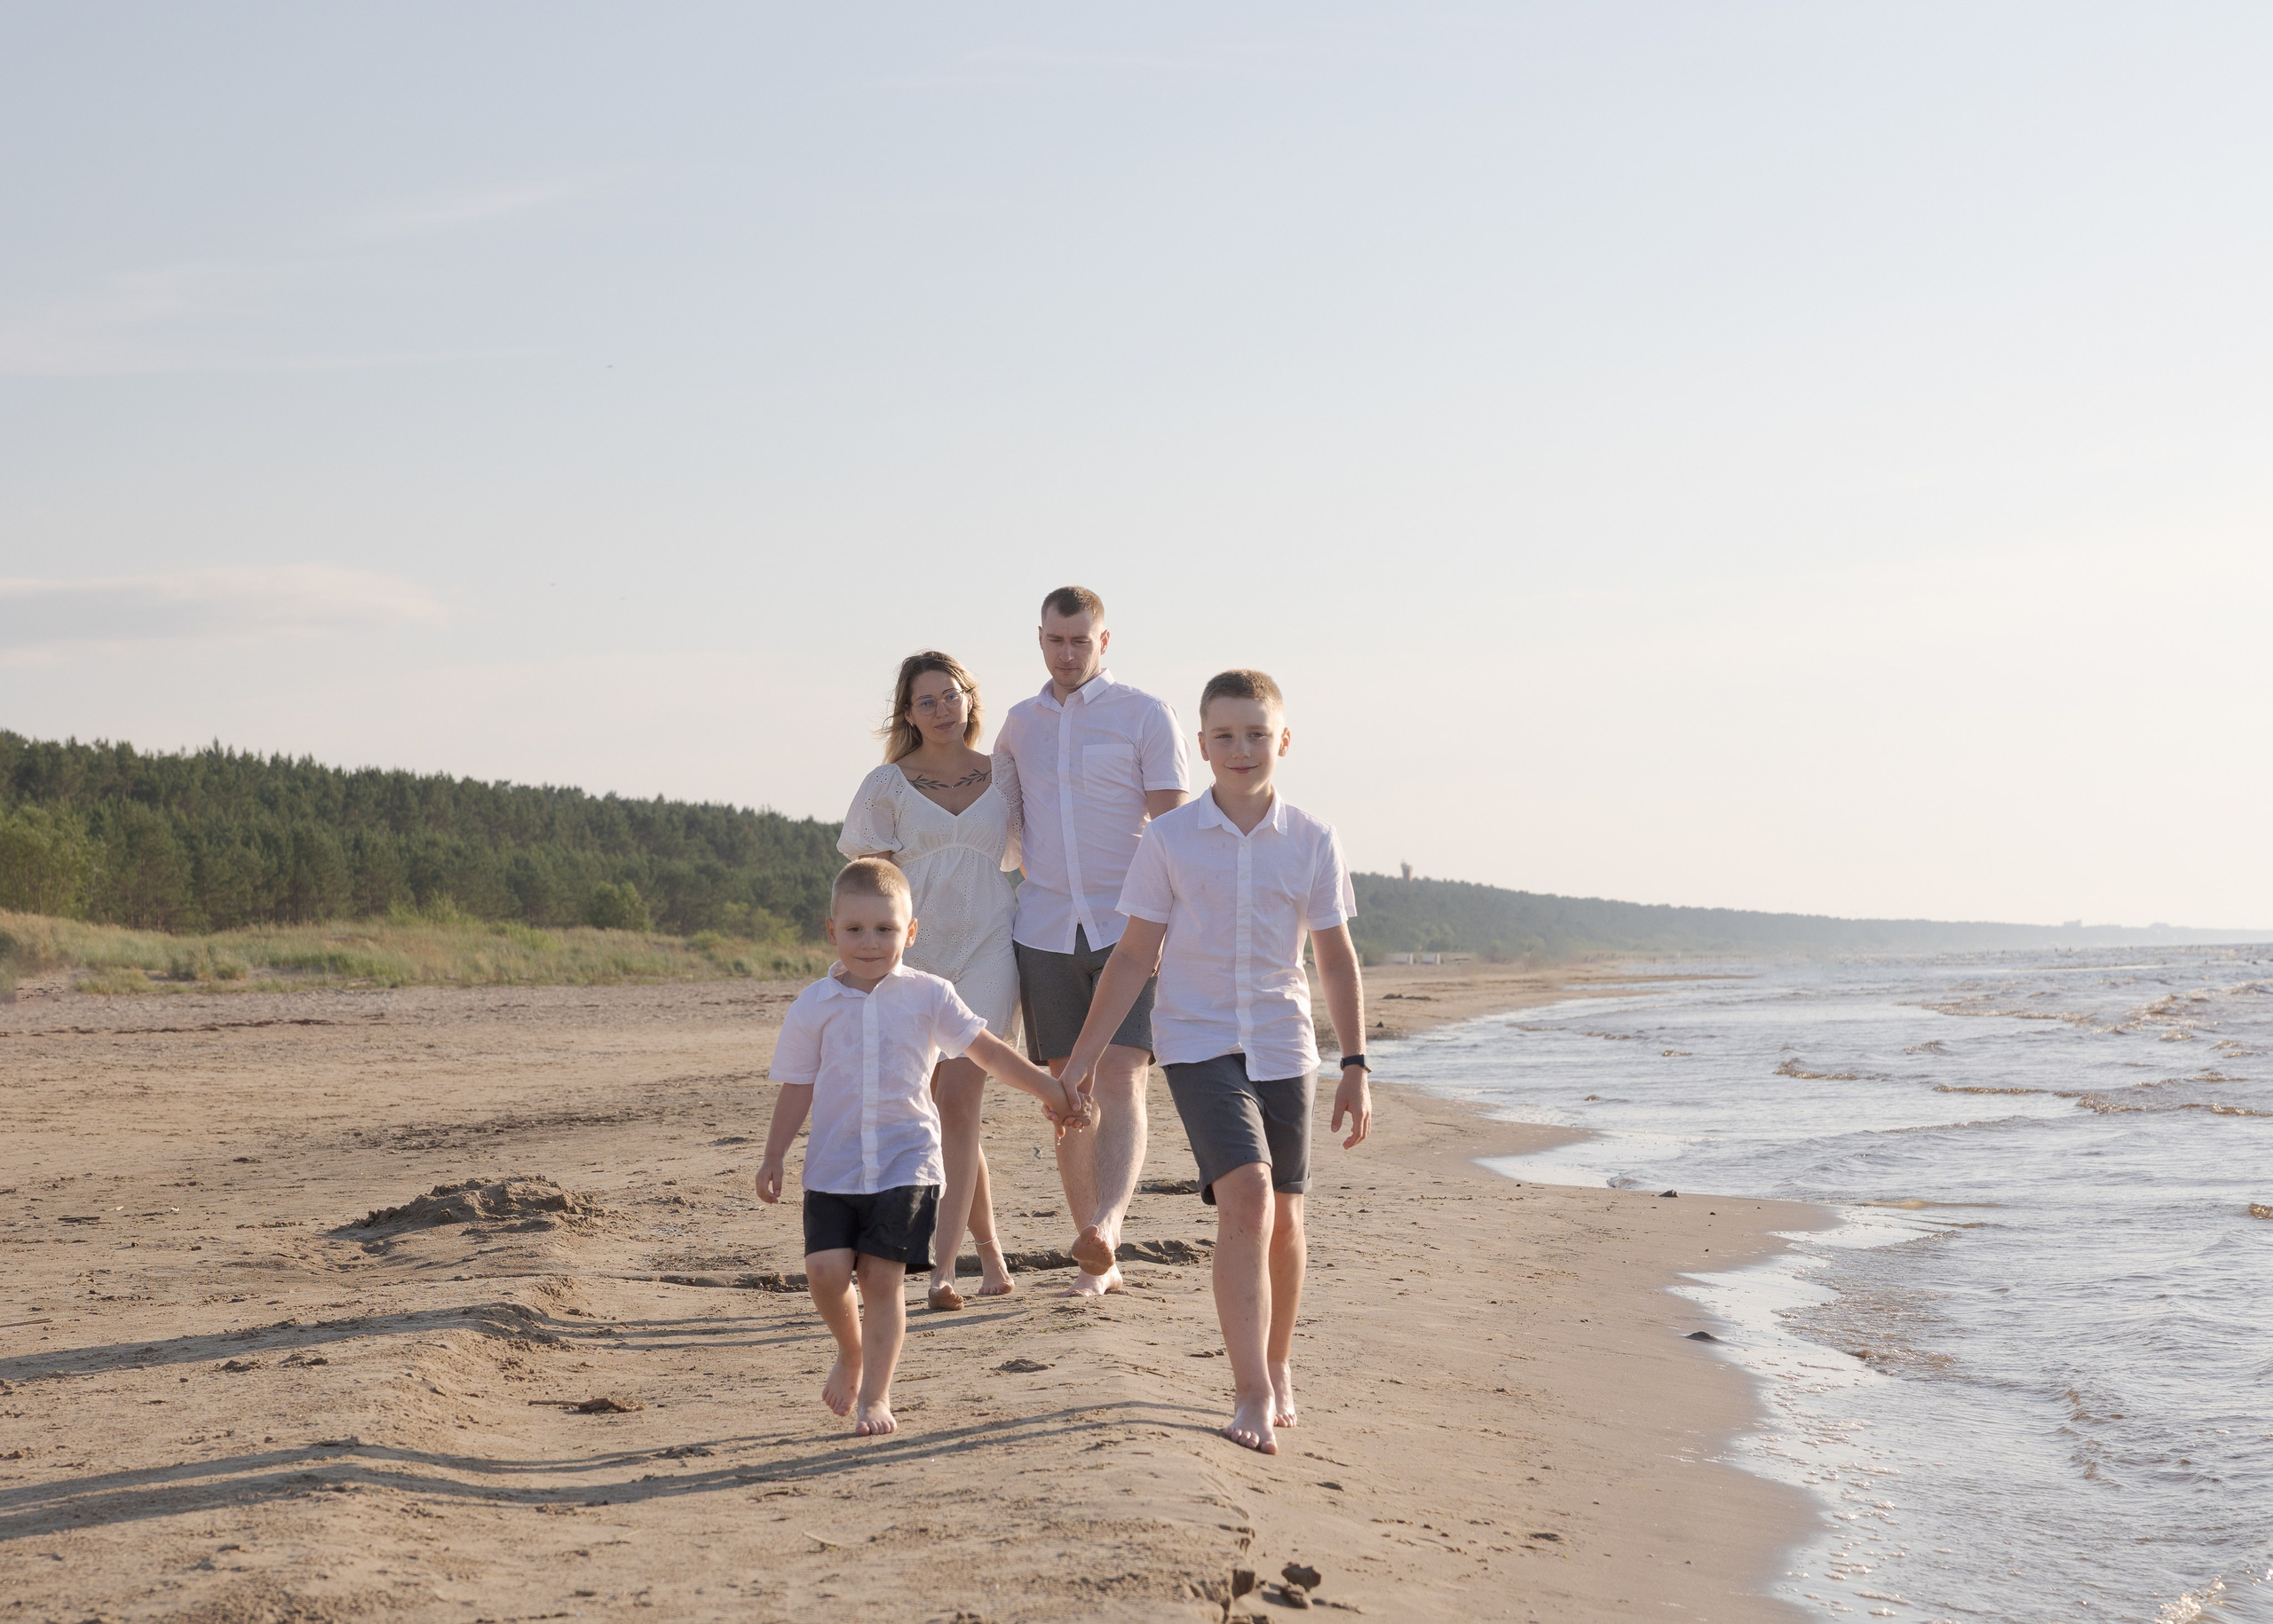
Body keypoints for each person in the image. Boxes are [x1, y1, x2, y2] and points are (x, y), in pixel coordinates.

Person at [1056, 669, 1372, 1456]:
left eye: (1256, 733)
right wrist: (1086, 1058)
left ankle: (1278, 1360)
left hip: (1284, 1043)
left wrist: (1358, 1061)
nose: (1241, 748)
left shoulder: (1314, 839)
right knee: (1249, 1196)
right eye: (1224, 735)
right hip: (1196, 1042)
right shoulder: (1166, 840)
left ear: (1283, 741)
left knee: (1287, 1217)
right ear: (1201, 746)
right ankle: (1251, 1388)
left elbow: (1334, 959)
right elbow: (1133, 956)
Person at [755, 859, 1087, 1436]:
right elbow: (798, 1086)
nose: (870, 942)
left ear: (911, 932)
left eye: (885, 928)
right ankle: (851, 1349)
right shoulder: (814, 1005)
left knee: (882, 1279)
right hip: (833, 1168)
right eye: (855, 929)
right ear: (832, 931)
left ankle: (876, 1397)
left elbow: (988, 1052)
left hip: (907, 1163)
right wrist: (773, 1154)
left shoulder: (931, 996)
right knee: (826, 1273)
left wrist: (1052, 1088)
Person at [993, 585, 1192, 1295]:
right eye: (1055, 640)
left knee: (1122, 1074)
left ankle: (1109, 1223)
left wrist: (1176, 921)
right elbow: (1002, 830)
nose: (1067, 652)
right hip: (1042, 926)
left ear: (1105, 642)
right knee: (1063, 1088)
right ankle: (1092, 1253)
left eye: (1081, 640)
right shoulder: (1018, 725)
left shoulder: (1145, 714)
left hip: (1129, 926)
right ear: (1039, 638)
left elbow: (1175, 830)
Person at [839, 651, 1024, 1311]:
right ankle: (994, 1259)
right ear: (908, 713)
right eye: (928, 701)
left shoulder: (1006, 773)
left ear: (970, 700)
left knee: (961, 1100)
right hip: (915, 957)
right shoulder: (885, 785)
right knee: (927, 1107)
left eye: (952, 696)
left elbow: (1050, 853)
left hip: (989, 947)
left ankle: (943, 1267)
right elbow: (869, 888)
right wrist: (858, 958)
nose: (943, 709)